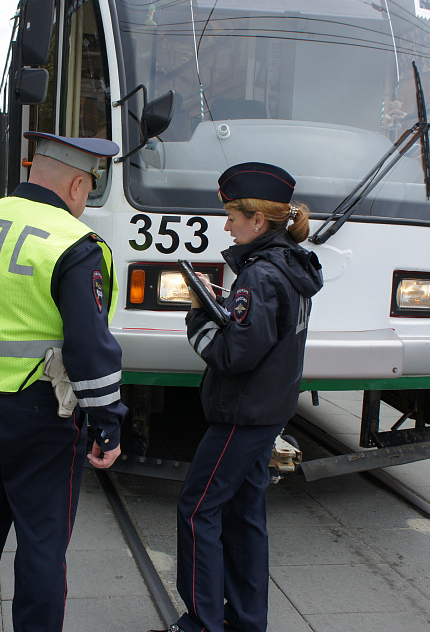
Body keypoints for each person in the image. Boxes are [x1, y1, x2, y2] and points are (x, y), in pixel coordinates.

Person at [0, 133, 127, 632]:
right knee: (41, 544)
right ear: (78, 184)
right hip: (40, 415)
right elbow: (88, 346)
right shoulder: (73, 244)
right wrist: (108, 422)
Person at [153, 163, 323, 632]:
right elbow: (268, 336)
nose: (226, 225)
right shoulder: (291, 265)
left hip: (242, 413)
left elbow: (233, 356)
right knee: (245, 516)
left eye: (232, 216)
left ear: (258, 221)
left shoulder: (259, 276)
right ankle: (246, 621)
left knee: (197, 508)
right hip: (269, 409)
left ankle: (203, 623)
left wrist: (198, 315)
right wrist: (225, 306)